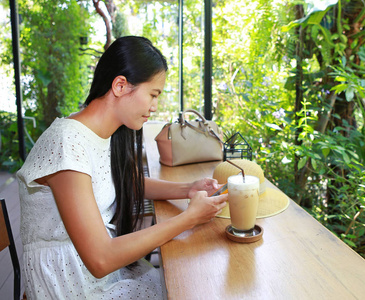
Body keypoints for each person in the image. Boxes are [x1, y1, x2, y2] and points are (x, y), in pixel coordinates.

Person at [17, 36, 228, 299]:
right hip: (70, 281)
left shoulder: (105, 134)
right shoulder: (67, 142)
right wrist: (189, 218)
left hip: (97, 270)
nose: (154, 107)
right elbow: (100, 259)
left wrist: (188, 189)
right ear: (120, 85)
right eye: (153, 94)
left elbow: (124, 181)